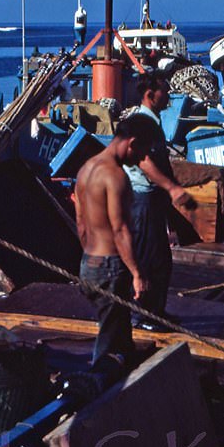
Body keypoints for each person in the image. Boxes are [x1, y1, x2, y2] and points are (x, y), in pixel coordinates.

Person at [73, 113, 159, 379]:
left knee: (119, 332)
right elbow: (120, 229)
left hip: (89, 262)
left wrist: (91, 258)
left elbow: (81, 223)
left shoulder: (86, 168)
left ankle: (124, 378)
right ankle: (94, 393)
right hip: (110, 267)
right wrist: (137, 274)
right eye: (143, 150)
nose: (143, 158)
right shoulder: (116, 176)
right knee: (108, 339)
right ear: (132, 142)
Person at [123, 73, 194, 325]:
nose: (168, 95)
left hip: (153, 201)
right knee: (146, 260)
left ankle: (155, 313)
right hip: (142, 201)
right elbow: (144, 162)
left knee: (160, 260)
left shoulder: (151, 122)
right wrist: (171, 188)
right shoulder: (142, 122)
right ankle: (139, 316)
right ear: (150, 95)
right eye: (164, 90)